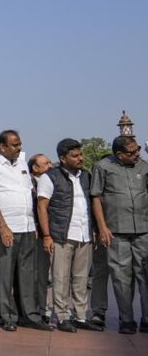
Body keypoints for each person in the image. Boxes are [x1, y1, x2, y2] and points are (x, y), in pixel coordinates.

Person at [0, 130, 48, 332]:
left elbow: (28, 194)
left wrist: (34, 225)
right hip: (5, 228)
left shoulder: (22, 164)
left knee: (28, 274)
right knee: (4, 273)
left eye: (19, 144)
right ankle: (7, 316)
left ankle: (29, 315)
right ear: (1, 147)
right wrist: (3, 226)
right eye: (14, 145)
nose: (19, 148)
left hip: (26, 227)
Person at [36, 139, 100, 333]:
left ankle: (80, 316)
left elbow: (91, 204)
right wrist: (47, 235)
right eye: (75, 156)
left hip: (84, 234)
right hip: (61, 235)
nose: (80, 158)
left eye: (80, 154)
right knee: (61, 278)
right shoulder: (50, 177)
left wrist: (94, 229)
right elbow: (42, 206)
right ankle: (63, 316)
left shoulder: (86, 176)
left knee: (81, 278)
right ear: (63, 158)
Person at [90, 135, 148, 334]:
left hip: (143, 230)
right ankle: (127, 320)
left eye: (138, 149)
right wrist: (102, 226)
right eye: (132, 152)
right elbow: (96, 197)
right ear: (119, 154)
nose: (137, 154)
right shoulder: (102, 167)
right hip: (116, 231)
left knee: (145, 275)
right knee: (121, 277)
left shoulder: (144, 166)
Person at [26, 153, 54, 325]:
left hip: (51, 232)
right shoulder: (27, 185)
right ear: (35, 168)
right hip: (34, 233)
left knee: (45, 274)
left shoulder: (54, 181)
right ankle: (34, 308)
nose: (50, 166)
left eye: (50, 162)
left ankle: (44, 308)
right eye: (46, 163)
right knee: (35, 274)